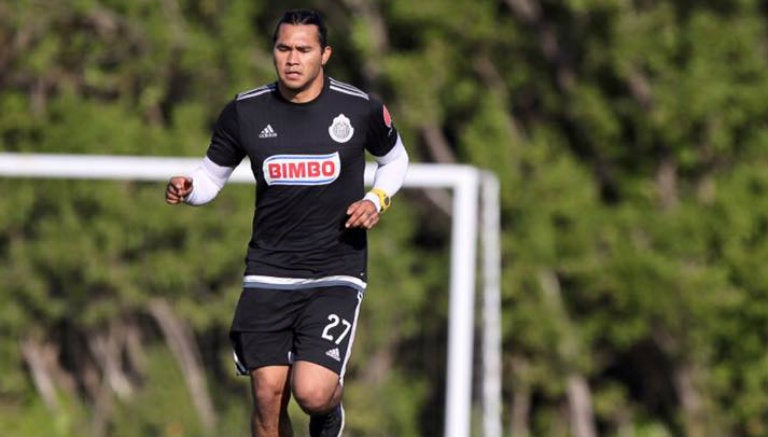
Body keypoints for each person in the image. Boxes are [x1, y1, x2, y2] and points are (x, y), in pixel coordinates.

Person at [165, 9, 409, 437]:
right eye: (283, 48)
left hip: (335, 270)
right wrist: (189, 189)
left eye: (303, 49)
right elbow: (209, 179)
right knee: (267, 397)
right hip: (269, 272)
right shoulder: (245, 111)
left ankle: (329, 416)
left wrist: (377, 199)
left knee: (312, 392)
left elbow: (395, 159)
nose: (292, 58)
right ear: (273, 52)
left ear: (324, 54)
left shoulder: (358, 108)